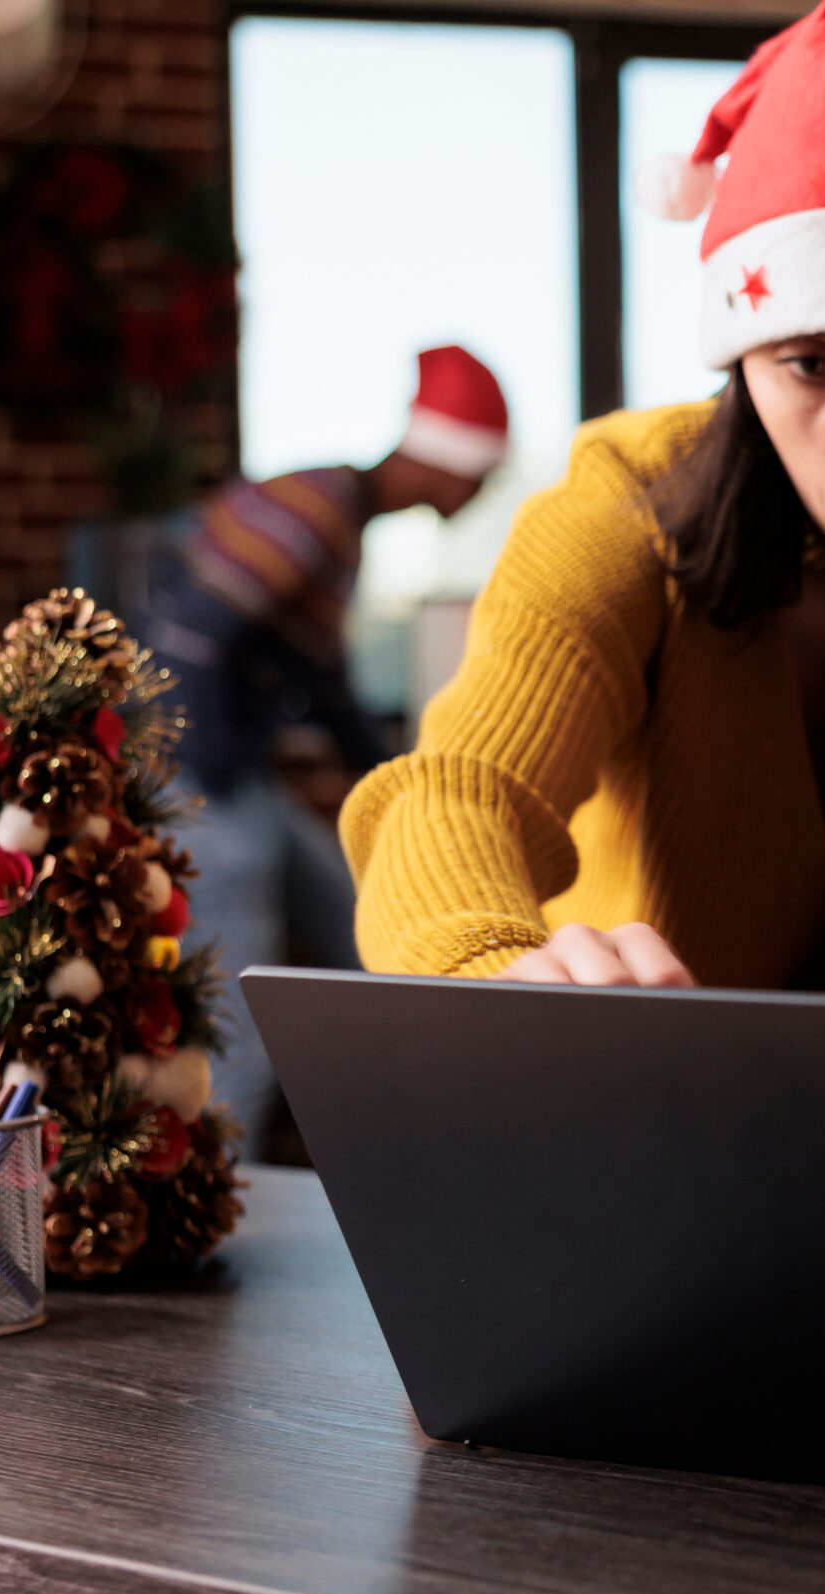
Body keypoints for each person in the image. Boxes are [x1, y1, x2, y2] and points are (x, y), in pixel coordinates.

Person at [340, 0, 825, 993]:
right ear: (743, 368)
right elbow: (459, 791)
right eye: (809, 362)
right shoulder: (626, 501)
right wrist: (490, 965)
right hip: (635, 1102)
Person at [152, 344, 509, 1149]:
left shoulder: (339, 519)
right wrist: (211, 777)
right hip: (200, 788)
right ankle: (216, 1207)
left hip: (235, 782)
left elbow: (325, 682)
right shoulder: (314, 510)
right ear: (449, 464)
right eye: (484, 474)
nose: (482, 492)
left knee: (360, 917)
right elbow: (191, 639)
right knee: (238, 1044)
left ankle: (408, 1130)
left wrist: (401, 788)